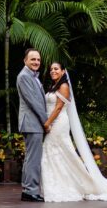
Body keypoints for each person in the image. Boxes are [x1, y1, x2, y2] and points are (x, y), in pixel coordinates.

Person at [41, 62, 107, 202]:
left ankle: (84, 183)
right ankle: (58, 183)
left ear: (63, 71)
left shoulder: (64, 86)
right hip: (53, 122)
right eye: (51, 69)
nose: (53, 71)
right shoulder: (54, 86)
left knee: (60, 150)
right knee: (58, 152)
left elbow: (58, 108)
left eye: (56, 69)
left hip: (58, 123)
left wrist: (47, 124)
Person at [16, 48, 48, 202]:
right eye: (33, 59)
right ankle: (30, 191)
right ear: (25, 61)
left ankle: (28, 189)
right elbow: (34, 102)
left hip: (33, 123)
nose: (36, 62)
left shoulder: (32, 76)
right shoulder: (24, 76)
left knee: (31, 157)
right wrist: (46, 122)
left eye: (38, 60)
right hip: (32, 123)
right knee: (33, 158)